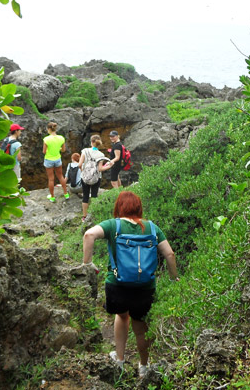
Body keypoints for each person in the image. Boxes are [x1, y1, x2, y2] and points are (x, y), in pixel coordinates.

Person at [82, 191, 179, 377]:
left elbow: (89, 235)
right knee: (140, 326)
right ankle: (144, 366)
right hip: (145, 287)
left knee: (121, 316)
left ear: (119, 207)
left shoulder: (113, 225)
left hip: (117, 284)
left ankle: (119, 360)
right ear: (139, 207)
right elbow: (170, 254)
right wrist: (173, 278)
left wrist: (87, 264)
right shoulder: (152, 228)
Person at [79, 134, 113, 222]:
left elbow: (79, 164)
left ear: (91, 142)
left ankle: (84, 216)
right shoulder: (101, 154)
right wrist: (109, 166)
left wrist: (83, 172)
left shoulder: (85, 151)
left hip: (85, 177)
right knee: (94, 195)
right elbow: (100, 169)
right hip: (96, 177)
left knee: (85, 196)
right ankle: (93, 214)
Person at [43, 121, 69, 202]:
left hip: (49, 160)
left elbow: (44, 151)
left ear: (49, 129)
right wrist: (58, 148)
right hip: (58, 159)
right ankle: (66, 194)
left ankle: (52, 197)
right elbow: (63, 150)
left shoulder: (46, 139)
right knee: (60, 176)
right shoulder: (61, 138)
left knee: (51, 179)